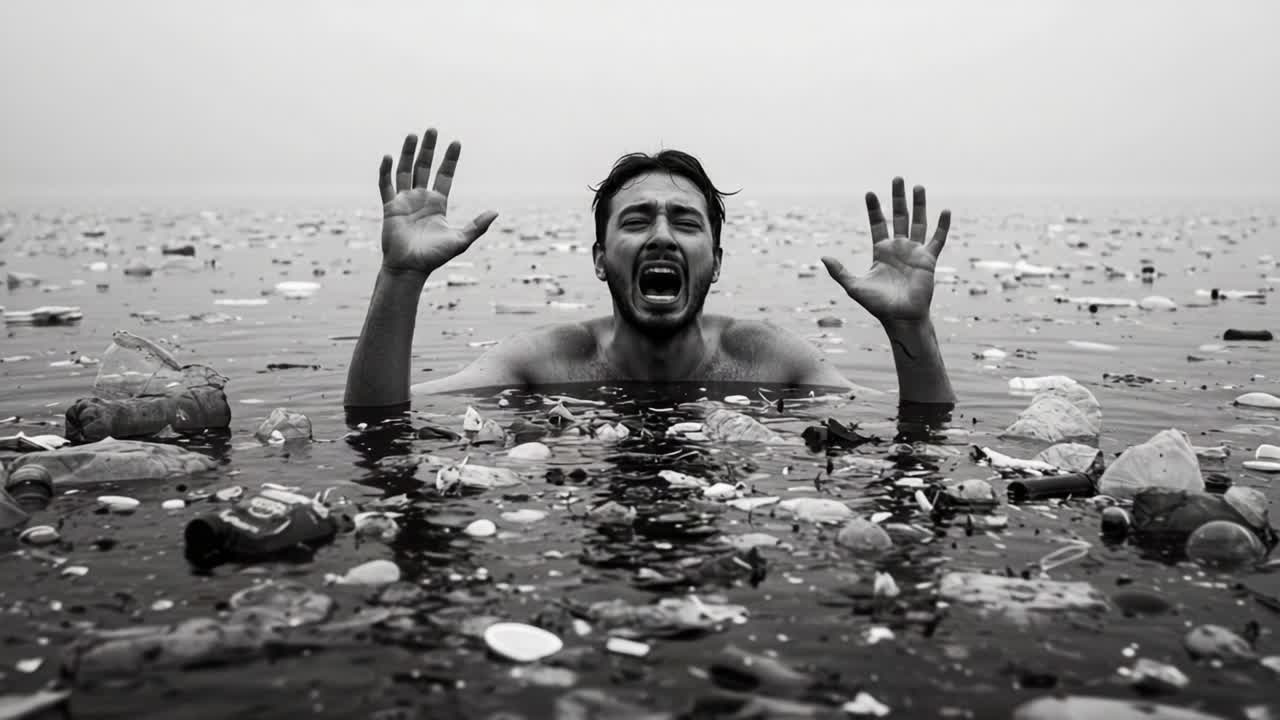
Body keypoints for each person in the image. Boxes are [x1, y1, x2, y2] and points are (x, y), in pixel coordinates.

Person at [344, 127, 955, 414]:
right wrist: (401, 277)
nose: (662, 234)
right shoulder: (546, 362)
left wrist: (912, 326)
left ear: (714, 264)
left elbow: (923, 423)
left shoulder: (767, 359)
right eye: (637, 220)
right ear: (599, 259)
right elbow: (378, 415)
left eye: (686, 223)